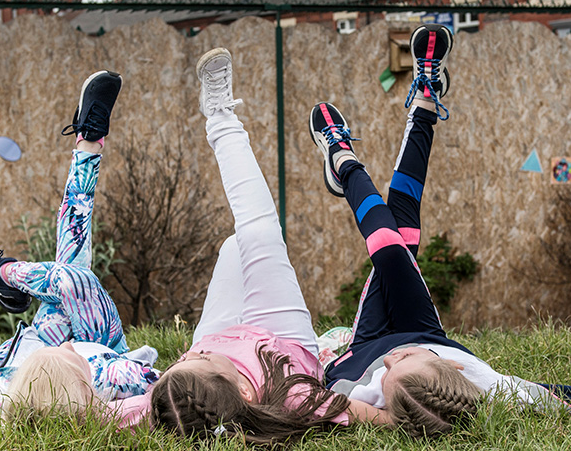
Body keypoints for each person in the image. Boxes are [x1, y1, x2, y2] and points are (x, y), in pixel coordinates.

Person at [308, 24, 571, 437]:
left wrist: (386, 418)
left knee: (395, 240)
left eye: (388, 374)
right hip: (425, 329)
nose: (390, 361)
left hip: (362, 345)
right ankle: (376, 137)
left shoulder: (358, 387)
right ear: (453, 367)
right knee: (394, 243)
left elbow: (308, 403)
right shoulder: (497, 390)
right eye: (404, 363)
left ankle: (356, 152)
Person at [139, 47, 386, 444]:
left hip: (218, 332)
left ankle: (221, 123)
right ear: (243, 392)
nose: (191, 355)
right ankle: (219, 115)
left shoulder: (168, 399)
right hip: (282, 342)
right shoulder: (293, 396)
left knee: (233, 249)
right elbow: (362, 413)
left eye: (183, 361)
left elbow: (82, 405)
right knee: (257, 234)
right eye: (198, 361)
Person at [0, 70, 159, 427]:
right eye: (70, 358)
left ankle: (89, 140)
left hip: (41, 338)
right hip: (101, 337)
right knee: (73, 278)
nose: (68, 345)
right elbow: (169, 391)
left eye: (58, 352)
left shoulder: (4, 395)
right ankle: (8, 274)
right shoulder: (108, 374)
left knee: (70, 267)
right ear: (84, 388)